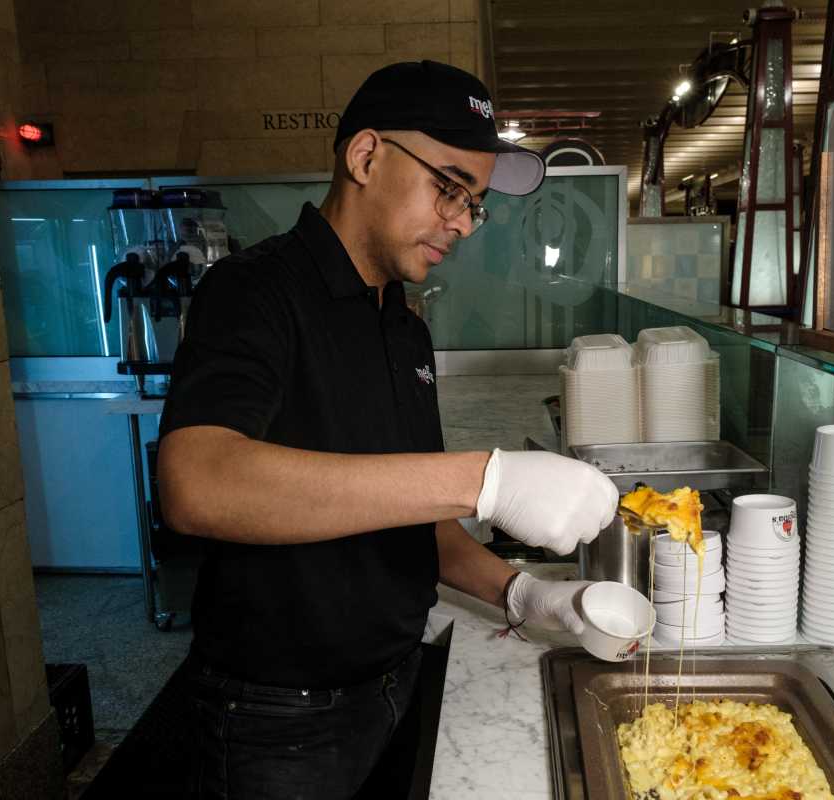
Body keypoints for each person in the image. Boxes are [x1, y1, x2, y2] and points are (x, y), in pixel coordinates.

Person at [156, 61, 618, 799]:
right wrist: (483, 478)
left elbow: (416, 521)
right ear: (366, 156)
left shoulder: (403, 329)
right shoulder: (253, 292)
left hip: (395, 683)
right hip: (277, 721)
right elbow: (196, 482)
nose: (464, 222)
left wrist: (521, 592)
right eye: (450, 187)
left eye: (474, 203)